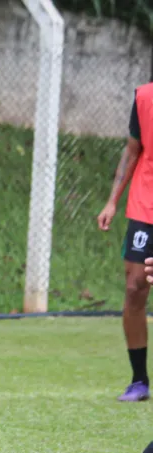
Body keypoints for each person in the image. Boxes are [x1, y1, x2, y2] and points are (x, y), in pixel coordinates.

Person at [97, 82, 151, 402]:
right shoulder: (144, 97)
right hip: (145, 205)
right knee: (134, 288)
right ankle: (139, 380)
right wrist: (111, 202)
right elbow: (132, 151)